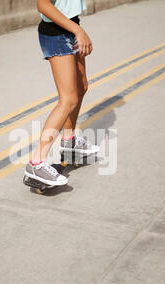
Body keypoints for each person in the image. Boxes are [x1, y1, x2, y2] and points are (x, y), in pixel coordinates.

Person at [24, 0, 100, 186]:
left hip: (71, 26)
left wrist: (76, 29)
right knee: (68, 100)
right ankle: (36, 162)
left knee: (81, 87)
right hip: (57, 34)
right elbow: (43, 5)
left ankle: (69, 141)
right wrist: (79, 31)